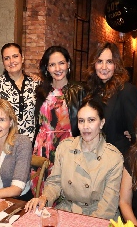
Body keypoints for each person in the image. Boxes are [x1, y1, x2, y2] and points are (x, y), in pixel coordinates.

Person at [25, 99, 124, 220]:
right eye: (81, 121)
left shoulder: (113, 158)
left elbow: (108, 206)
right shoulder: (65, 148)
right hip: (68, 211)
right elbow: (55, 183)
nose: (85, 126)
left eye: (91, 120)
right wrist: (44, 198)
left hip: (98, 217)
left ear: (102, 123)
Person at [32, 45, 85, 195]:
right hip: (42, 150)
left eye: (61, 63)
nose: (57, 68)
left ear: (68, 64)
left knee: (65, 193)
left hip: (67, 148)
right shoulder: (40, 91)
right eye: (52, 64)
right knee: (40, 193)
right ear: (47, 68)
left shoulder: (79, 90)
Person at [85, 42, 137, 155]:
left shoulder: (126, 91)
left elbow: (136, 135)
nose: (104, 67)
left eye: (109, 62)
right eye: (100, 61)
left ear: (116, 65)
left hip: (117, 159)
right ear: (94, 65)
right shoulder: (91, 90)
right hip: (91, 157)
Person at [0, 43, 40, 141]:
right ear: (3, 62)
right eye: (7, 58)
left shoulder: (35, 84)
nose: (11, 61)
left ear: (22, 58)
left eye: (15, 56)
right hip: (3, 142)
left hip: (30, 143)